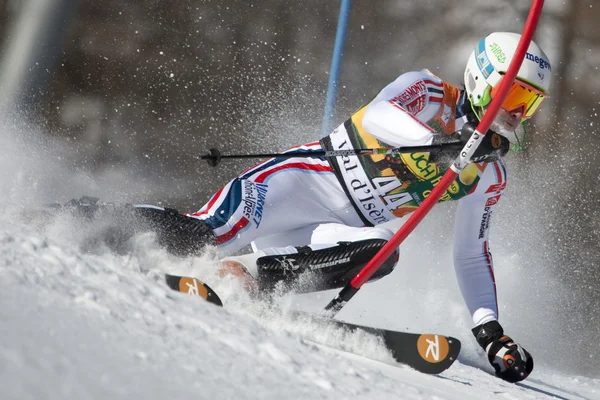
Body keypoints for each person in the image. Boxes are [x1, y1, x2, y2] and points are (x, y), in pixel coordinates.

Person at [71, 32, 550, 382]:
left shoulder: (489, 172)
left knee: (383, 253)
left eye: (529, 104)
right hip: (301, 181)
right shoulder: (426, 92)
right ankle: (87, 216)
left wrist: (490, 332)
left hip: (334, 227)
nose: (517, 112)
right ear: (485, 80)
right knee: (205, 233)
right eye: (514, 94)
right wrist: (448, 145)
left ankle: (252, 277)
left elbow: (471, 253)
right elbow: (383, 115)